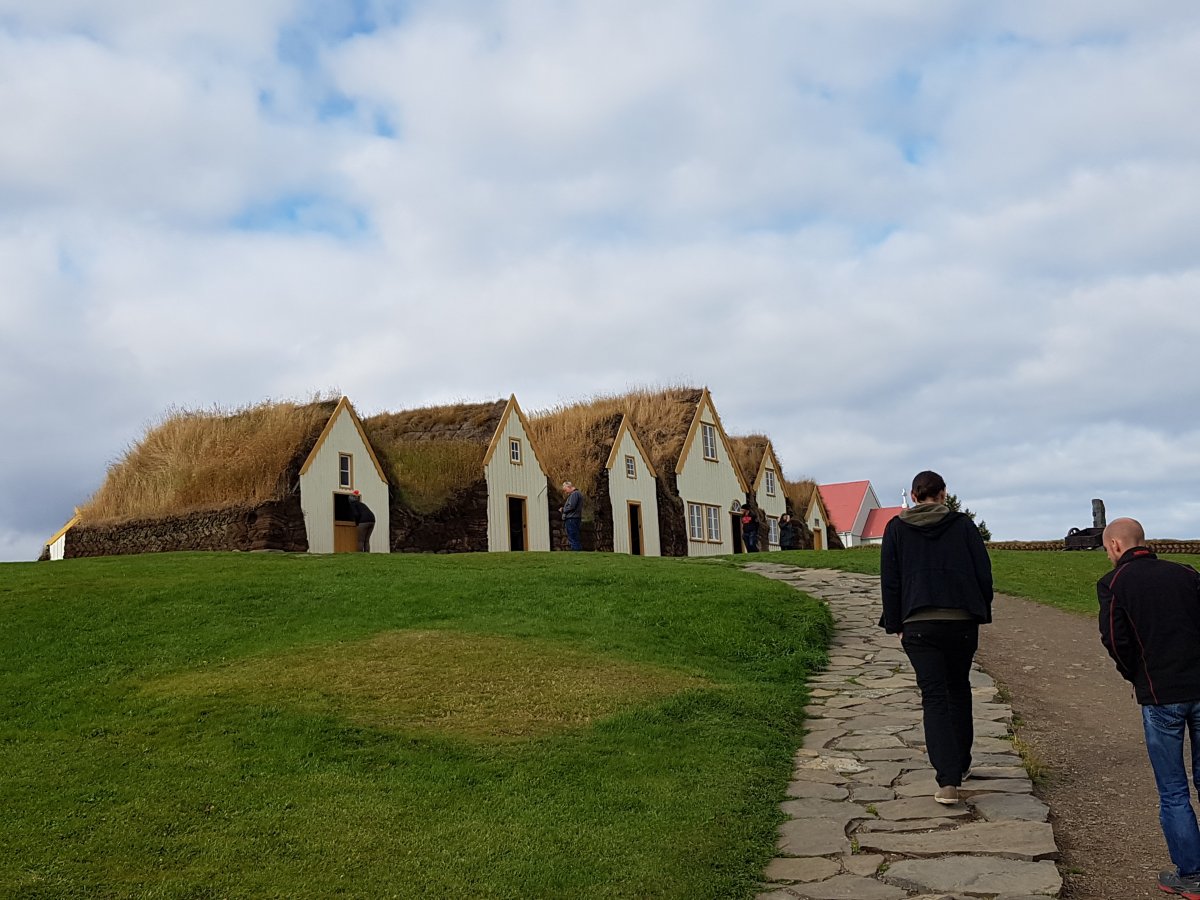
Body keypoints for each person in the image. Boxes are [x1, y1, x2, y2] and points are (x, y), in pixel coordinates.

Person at [1097, 517, 1200, 899]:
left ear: (1116, 546)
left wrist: (1134, 675)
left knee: (1174, 790)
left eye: (1108, 548)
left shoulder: (1114, 584)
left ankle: (1192, 875)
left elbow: (1114, 639)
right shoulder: (1187, 573)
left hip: (1160, 694)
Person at [879, 470, 993, 806]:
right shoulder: (963, 526)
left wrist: (896, 622)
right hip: (960, 620)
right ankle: (962, 763)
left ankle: (947, 781)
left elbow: (891, 579)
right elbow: (983, 572)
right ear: (943, 494)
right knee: (958, 687)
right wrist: (980, 609)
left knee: (934, 697)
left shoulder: (896, 529)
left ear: (914, 497)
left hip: (918, 624)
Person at [559, 481, 583, 551]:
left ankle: (576, 552)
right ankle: (577, 552)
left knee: (573, 537)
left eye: (565, 489)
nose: (565, 492)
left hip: (572, 519)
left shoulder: (574, 494)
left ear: (569, 487)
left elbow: (571, 506)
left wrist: (563, 509)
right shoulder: (577, 494)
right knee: (575, 537)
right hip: (574, 518)